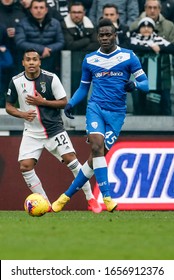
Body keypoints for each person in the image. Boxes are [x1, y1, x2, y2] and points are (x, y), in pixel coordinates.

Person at [51, 18, 149, 213]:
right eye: (101, 35)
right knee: (96, 145)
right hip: (95, 108)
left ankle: (64, 197)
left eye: (108, 34)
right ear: (97, 36)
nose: (105, 38)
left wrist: (135, 85)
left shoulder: (129, 57)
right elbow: (83, 88)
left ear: (115, 35)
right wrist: (71, 103)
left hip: (117, 114)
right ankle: (107, 197)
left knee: (95, 159)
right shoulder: (89, 59)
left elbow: (145, 84)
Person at [5, 48, 102, 214]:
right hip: (31, 132)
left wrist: (42, 102)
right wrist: (22, 114)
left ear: (39, 62)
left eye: (34, 59)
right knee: (25, 166)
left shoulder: (51, 78)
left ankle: (90, 199)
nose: (31, 63)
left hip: (54, 130)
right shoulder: (15, 81)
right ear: (23, 63)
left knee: (71, 160)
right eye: (28, 60)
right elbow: (8, 106)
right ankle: (45, 203)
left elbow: (64, 102)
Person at [130, 0, 174, 115]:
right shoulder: (135, 24)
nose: (152, 10)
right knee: (140, 105)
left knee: (164, 105)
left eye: (155, 7)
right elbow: (128, 45)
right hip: (139, 74)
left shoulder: (169, 25)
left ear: (160, 9)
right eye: (149, 7)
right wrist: (150, 48)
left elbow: (172, 47)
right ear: (145, 8)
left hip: (163, 73)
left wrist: (159, 47)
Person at [15, 0, 64, 74]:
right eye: (35, 7)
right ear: (31, 10)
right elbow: (20, 42)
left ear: (46, 10)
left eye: (41, 7)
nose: (39, 10)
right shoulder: (22, 23)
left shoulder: (55, 23)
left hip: (50, 62)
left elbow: (61, 42)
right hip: (28, 63)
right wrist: (41, 49)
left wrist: (48, 50)